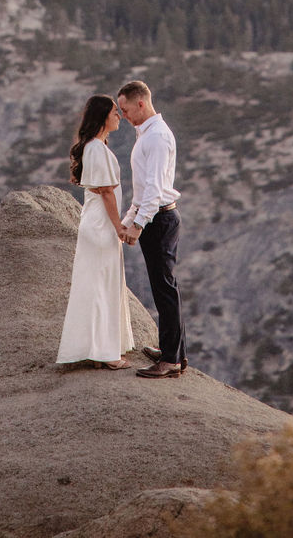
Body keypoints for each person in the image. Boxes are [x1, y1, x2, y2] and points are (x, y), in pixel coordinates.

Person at [57, 94, 135, 369]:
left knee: (97, 284)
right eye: (115, 112)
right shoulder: (97, 149)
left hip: (95, 223)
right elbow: (106, 192)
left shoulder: (94, 147)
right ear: (103, 116)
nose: (119, 116)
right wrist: (119, 227)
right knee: (103, 284)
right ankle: (106, 353)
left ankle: (98, 347)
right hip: (102, 225)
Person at [117, 79, 187, 378]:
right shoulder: (146, 134)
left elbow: (155, 190)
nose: (123, 115)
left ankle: (170, 360)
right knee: (163, 288)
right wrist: (129, 218)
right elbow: (142, 188)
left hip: (159, 219)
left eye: (125, 109)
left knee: (165, 289)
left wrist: (138, 225)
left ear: (141, 103)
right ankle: (173, 352)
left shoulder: (156, 137)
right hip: (153, 216)